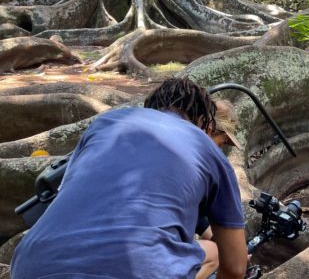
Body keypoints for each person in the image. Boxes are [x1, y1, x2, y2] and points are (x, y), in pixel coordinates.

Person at [11, 77, 248, 279]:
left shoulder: (104, 124)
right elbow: (236, 268)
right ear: (206, 124)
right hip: (138, 269)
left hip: (31, 264)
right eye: (223, 140)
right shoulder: (207, 151)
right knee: (213, 252)